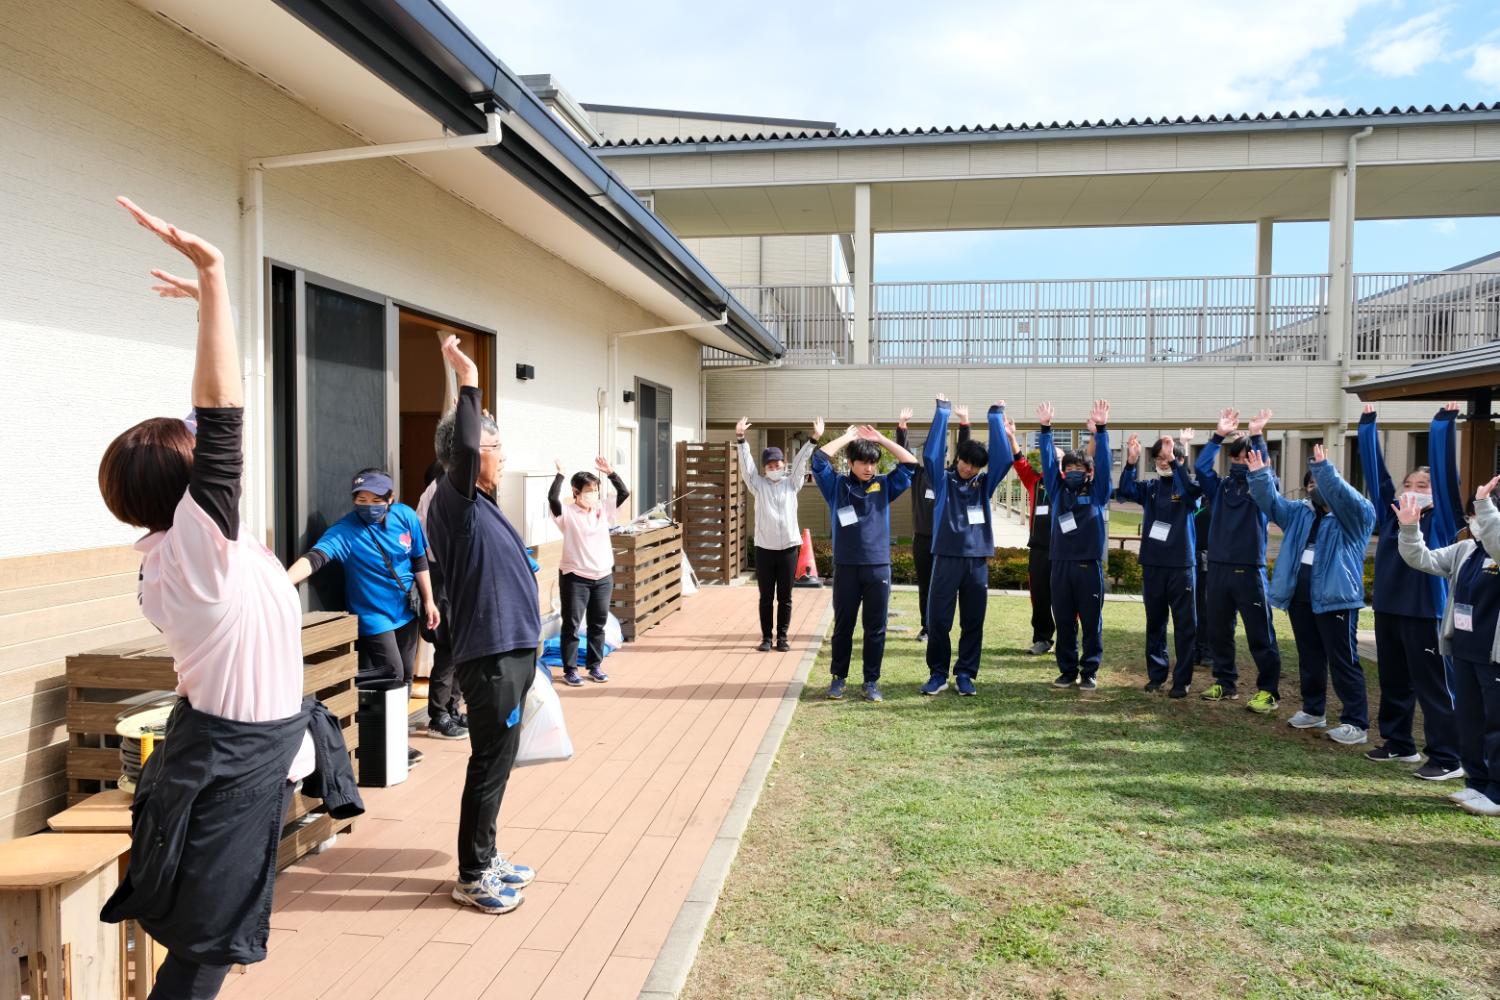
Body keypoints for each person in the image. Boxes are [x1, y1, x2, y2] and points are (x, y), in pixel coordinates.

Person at [96, 197, 360, 999]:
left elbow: (201, 421)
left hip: (241, 753)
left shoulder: (198, 550)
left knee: (217, 931)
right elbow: (218, 423)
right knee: (211, 943)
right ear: (185, 495)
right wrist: (214, 279)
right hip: (232, 759)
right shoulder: (194, 555)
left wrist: (210, 311)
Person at [427, 335, 539, 913]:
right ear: (470, 455)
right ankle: (472, 874)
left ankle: (487, 855)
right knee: (490, 761)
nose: (502, 452)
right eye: (495, 444)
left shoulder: (483, 507)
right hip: (491, 655)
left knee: (500, 759)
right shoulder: (455, 498)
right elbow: (465, 445)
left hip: (511, 649)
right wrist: (468, 378)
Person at [288, 469, 440, 766]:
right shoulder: (346, 531)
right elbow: (315, 558)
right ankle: (385, 743)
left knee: (406, 675)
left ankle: (397, 739)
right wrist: (281, 582)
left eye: (375, 499)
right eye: (361, 499)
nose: (368, 504)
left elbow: (419, 559)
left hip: (406, 610)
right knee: (393, 673)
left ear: (390, 499)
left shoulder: (405, 517)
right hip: (373, 617)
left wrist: (429, 600)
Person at [1358, 403, 1465, 778]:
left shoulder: (1445, 517)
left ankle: (1447, 757)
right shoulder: (1392, 515)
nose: (1413, 491)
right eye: (1408, 486)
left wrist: (1442, 425)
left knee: (1434, 687)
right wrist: (1368, 426)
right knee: (1394, 681)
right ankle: (1398, 743)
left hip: (1427, 612)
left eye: (1422, 486)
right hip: (1389, 608)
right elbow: (1376, 475)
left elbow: (1447, 475)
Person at [1247, 445, 1375, 743]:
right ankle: (1314, 709)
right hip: (1301, 598)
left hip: (1337, 600)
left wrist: (1325, 471)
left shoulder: (1356, 516)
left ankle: (1356, 723)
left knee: (1343, 659)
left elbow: (1346, 496)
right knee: (1310, 656)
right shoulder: (1300, 513)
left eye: (1321, 482)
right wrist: (1260, 476)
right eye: (1311, 483)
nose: (1314, 488)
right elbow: (1272, 504)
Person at [1397, 479, 1500, 817]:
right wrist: (1410, 529)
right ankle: (1477, 783)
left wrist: (1486, 507)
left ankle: (1497, 793)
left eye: (1481, 513)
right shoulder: (1466, 551)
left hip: (1493, 655)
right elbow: (1422, 559)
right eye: (1472, 513)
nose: (1474, 520)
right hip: (1466, 650)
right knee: (1469, 721)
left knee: (1495, 723)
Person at [811, 424, 919, 702]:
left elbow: (910, 463)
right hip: (846, 566)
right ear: (851, 462)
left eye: (873, 463)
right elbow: (819, 460)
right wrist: (848, 438)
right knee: (843, 626)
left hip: (878, 566)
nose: (869, 468)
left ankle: (871, 681)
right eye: (863, 462)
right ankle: (838, 678)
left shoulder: (883, 485)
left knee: (876, 628)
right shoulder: (836, 485)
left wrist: (881, 439)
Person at [920, 396, 1013, 695]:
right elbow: (932, 455)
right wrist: (942, 413)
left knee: (973, 621)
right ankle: (938, 673)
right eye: (964, 461)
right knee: (939, 620)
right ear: (957, 457)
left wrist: (996, 417)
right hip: (946, 558)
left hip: (976, 561)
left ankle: (965, 674)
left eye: (974, 466)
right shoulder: (943, 480)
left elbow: (1004, 459)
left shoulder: (983, 485)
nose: (967, 468)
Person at [1192, 408, 1282, 714]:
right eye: (1236, 457)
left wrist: (1257, 435)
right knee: (1218, 630)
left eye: (1247, 456)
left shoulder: (1263, 488)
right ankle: (1225, 681)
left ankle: (1268, 690)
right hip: (1218, 568)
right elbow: (1202, 469)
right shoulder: (1222, 488)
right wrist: (1217, 436)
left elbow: (1265, 471)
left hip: (1250, 570)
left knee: (1260, 633)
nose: (1241, 461)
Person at [1117, 429, 1202, 695]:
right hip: (1153, 565)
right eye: (1158, 459)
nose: (1162, 463)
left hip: (1181, 566)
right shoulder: (1151, 488)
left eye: (1167, 458)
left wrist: (1178, 460)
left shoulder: (1187, 489)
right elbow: (1125, 491)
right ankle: (1156, 674)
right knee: (1155, 622)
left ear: (1177, 460)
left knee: (1185, 626)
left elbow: (1191, 493)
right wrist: (1131, 462)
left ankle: (1182, 680)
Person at [1037, 399, 1113, 690]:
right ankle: (1067, 670)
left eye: (1079, 467)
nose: (1073, 472)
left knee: (1091, 623)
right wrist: (1045, 429)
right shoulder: (1057, 492)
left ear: (1089, 472)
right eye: (1069, 467)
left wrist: (1102, 430)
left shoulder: (1098, 492)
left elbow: (1104, 463)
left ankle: (1089, 671)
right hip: (1060, 565)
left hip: (1088, 566)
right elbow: (1047, 462)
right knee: (1065, 621)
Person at [738, 415, 821, 652]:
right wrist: (741, 439)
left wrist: (814, 439)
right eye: (770, 466)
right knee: (766, 597)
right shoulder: (758, 485)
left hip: (789, 550)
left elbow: (801, 461)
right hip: (764, 549)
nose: (774, 469)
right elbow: (747, 468)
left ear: (784, 466)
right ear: (764, 469)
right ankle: (766, 638)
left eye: (778, 465)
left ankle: (782, 638)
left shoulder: (791, 484)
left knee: (785, 597)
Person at [549, 456, 629, 684]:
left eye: (595, 490)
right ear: (576, 491)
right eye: (589, 490)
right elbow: (552, 498)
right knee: (572, 625)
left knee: (597, 624)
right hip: (575, 577)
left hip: (603, 576)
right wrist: (560, 474)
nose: (593, 494)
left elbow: (623, 493)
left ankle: (594, 666)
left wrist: (611, 472)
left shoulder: (602, 509)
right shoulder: (566, 513)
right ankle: (570, 670)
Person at [896, 406, 970, 643]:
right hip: (922, 539)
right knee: (925, 585)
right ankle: (926, 627)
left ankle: (942, 625)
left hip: (945, 540)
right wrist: (902, 428)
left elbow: (964, 455)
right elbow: (903, 454)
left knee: (947, 587)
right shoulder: (916, 475)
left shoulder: (949, 476)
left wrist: (964, 424)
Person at [416, 460, 467, 739]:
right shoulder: (438, 491)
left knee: (460, 650)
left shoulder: (449, 490)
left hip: (454, 575)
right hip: (440, 576)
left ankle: (453, 708)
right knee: (448, 650)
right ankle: (438, 715)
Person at [1006, 415, 1058, 656]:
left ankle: (1068, 639)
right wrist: (1012, 437)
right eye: (1049, 459)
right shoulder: (1035, 482)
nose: (1051, 463)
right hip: (1039, 550)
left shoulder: (1070, 485)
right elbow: (1019, 463)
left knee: (1066, 598)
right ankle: (1042, 638)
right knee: (1039, 596)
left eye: (1056, 460)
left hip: (1064, 551)